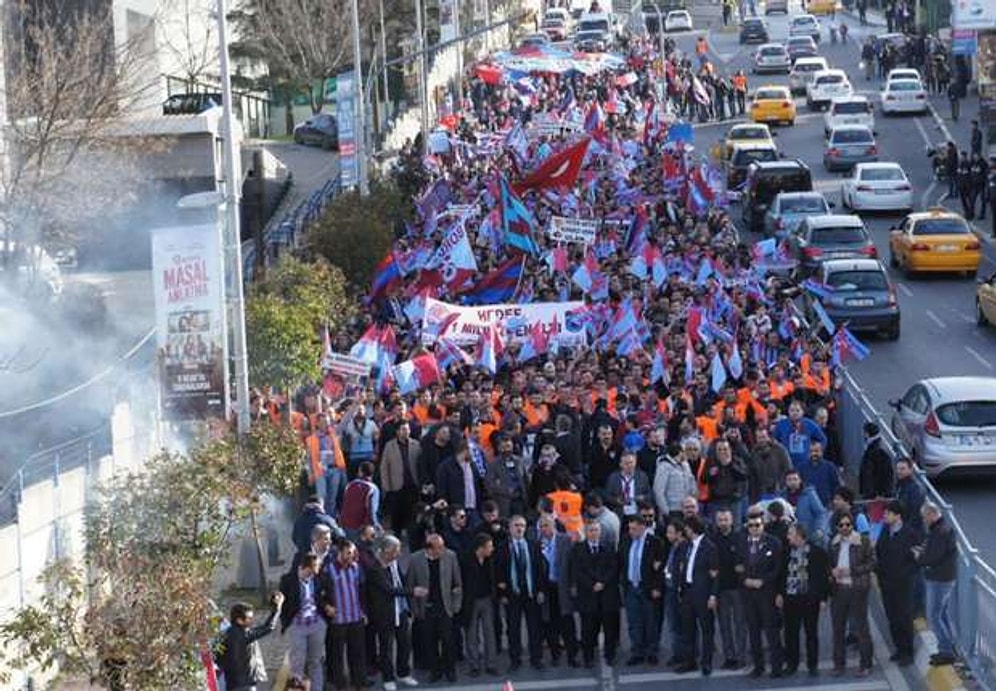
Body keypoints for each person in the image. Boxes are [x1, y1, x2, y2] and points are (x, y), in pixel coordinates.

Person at [366, 535, 419, 690]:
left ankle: (404, 673)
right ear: (387, 551)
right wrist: (413, 591)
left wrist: (409, 606)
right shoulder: (376, 568)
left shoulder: (394, 563)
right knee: (386, 648)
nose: (400, 553)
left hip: (400, 611)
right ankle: (388, 678)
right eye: (397, 550)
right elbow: (389, 590)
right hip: (385, 614)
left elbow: (401, 581)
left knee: (405, 643)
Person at [736, 507, 784, 678]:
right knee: (753, 631)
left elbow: (778, 568)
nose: (754, 528)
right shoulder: (742, 543)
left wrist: (763, 581)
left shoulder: (774, 542)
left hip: (767, 593)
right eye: (751, 525)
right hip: (749, 595)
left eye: (757, 525)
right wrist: (744, 579)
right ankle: (758, 666)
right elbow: (738, 566)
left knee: (771, 631)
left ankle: (777, 666)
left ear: (763, 525)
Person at [409, 533, 463, 682]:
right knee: (430, 642)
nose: (442, 549)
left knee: (448, 641)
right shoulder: (415, 559)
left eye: (443, 546)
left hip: (445, 607)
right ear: (429, 548)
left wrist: (456, 606)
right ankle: (435, 671)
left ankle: (449, 670)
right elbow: (410, 587)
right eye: (439, 547)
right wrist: (415, 610)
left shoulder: (450, 556)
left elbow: (458, 582)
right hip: (426, 609)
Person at [497, 514, 548, 671]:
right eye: (516, 525)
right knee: (513, 628)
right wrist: (502, 594)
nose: (519, 528)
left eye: (522, 526)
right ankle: (515, 659)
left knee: (534, 627)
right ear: (510, 528)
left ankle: (536, 658)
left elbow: (540, 569)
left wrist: (540, 590)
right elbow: (497, 573)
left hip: (531, 592)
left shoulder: (533, 545)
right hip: (512, 594)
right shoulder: (502, 547)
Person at [778, 523, 829, 677]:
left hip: (809, 599)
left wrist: (823, 598)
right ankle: (792, 664)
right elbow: (780, 575)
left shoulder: (817, 553)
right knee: (790, 633)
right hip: (790, 599)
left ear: (799, 535)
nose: (787, 537)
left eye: (790, 534)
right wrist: (780, 594)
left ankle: (812, 665)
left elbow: (823, 578)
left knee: (811, 633)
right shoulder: (785, 552)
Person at [828, 512, 876, 676]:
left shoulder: (862, 541)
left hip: (857, 589)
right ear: (837, 527)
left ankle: (866, 665)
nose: (845, 527)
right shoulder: (833, 543)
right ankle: (839, 665)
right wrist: (832, 572)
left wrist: (852, 571)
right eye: (841, 525)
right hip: (839, 590)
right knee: (838, 629)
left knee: (862, 629)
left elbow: (872, 563)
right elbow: (828, 565)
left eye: (848, 524)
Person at [570, 520, 621, 667]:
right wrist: (592, 584)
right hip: (588, 595)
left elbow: (613, 568)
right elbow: (578, 571)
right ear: (586, 532)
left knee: (609, 629)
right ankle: (588, 658)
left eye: (597, 530)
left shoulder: (609, 547)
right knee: (588, 629)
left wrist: (602, 582)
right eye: (591, 530)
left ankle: (610, 656)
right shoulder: (578, 549)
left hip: (607, 595)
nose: (594, 533)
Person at [876, 500, 920, 667]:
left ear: (898, 516)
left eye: (888, 513)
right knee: (892, 618)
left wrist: (905, 574)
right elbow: (880, 551)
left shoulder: (910, 534)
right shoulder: (885, 530)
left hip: (903, 584)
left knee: (904, 618)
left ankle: (908, 652)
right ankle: (899, 648)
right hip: (886, 582)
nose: (884, 515)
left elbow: (917, 559)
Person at [914, 502, 958, 666]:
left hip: (939, 579)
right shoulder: (942, 529)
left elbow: (933, 557)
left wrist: (918, 557)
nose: (924, 521)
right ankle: (949, 647)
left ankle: (946, 652)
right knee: (942, 614)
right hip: (944, 577)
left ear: (932, 515)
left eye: (925, 517)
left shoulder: (939, 532)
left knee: (933, 615)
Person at [324, 541, 369, 691]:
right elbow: (320, 592)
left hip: (356, 618)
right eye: (349, 553)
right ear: (340, 552)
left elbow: (363, 591)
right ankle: (340, 685)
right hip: (337, 620)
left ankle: (360, 683)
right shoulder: (328, 569)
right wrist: (326, 606)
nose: (352, 556)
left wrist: (364, 611)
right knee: (337, 656)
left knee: (358, 653)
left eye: (353, 552)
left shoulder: (356, 568)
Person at [620, 513, 664, 666]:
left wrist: (657, 587)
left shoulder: (655, 542)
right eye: (629, 529)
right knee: (634, 622)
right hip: (631, 587)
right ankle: (637, 652)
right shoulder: (626, 540)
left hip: (648, 588)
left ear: (643, 527)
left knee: (651, 622)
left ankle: (652, 652)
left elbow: (660, 568)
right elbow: (622, 562)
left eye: (634, 529)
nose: (631, 532)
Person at [279, 553, 328, 691]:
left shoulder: (318, 579)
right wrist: (286, 623)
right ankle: (297, 686)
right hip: (297, 625)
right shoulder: (288, 580)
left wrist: (326, 610)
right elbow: (281, 601)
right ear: (304, 567)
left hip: (316, 623)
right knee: (297, 661)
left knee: (316, 661)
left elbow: (324, 597)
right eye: (315, 567)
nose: (317, 570)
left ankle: (317, 688)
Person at [217, 594, 284, 691]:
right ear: (239, 620)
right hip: (245, 684)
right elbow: (268, 627)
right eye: (249, 618)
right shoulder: (244, 634)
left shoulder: (225, 634)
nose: (251, 621)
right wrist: (277, 608)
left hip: (231, 683)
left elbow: (218, 659)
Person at [538, 514, 580, 667]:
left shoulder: (565, 540)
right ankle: (555, 654)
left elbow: (574, 565)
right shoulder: (537, 544)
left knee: (567, 623)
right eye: (541, 526)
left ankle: (572, 656)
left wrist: (574, 585)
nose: (544, 529)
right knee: (550, 624)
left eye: (546, 525)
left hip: (563, 587)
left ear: (553, 525)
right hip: (547, 589)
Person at [461, 533, 499, 677]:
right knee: (471, 634)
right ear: (480, 548)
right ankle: (474, 666)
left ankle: (491, 664)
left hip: (487, 599)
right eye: (489, 547)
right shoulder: (465, 559)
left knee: (490, 633)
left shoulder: (491, 560)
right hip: (471, 601)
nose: (492, 549)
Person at [380, 420, 422, 534]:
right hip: (396, 485)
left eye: (408, 429)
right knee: (396, 514)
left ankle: (411, 536)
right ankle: (396, 535)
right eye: (403, 429)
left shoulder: (416, 445)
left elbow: (421, 465)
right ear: (397, 431)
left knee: (412, 513)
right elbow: (384, 467)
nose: (406, 432)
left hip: (412, 485)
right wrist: (387, 486)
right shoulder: (389, 446)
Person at [781, 469, 827, 545]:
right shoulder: (782, 496)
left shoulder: (809, 494)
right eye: (789, 480)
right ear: (785, 482)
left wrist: (820, 529)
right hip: (790, 537)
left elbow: (820, 513)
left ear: (800, 480)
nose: (792, 482)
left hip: (809, 535)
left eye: (795, 479)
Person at [339, 462, 381, 540]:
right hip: (361, 528)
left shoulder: (350, 485)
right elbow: (372, 511)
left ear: (360, 472)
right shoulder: (373, 488)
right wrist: (376, 526)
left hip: (345, 524)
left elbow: (344, 504)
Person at [606, 450, 652, 520]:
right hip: (620, 515)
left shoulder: (642, 476)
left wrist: (642, 498)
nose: (629, 466)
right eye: (626, 463)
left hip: (638, 514)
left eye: (631, 462)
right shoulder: (613, 478)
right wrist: (616, 500)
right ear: (620, 464)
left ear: (635, 462)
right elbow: (607, 496)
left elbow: (650, 495)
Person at [797, 441, 839, 508]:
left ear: (822, 452)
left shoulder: (830, 467)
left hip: (826, 505)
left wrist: (833, 502)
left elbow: (837, 486)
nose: (814, 453)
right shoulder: (801, 467)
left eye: (816, 451)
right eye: (811, 451)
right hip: (808, 506)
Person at [858, 422, 894, 500]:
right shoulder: (875, 447)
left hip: (875, 494)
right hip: (874, 492)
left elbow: (883, 473)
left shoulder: (876, 450)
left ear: (867, 434)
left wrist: (879, 493)